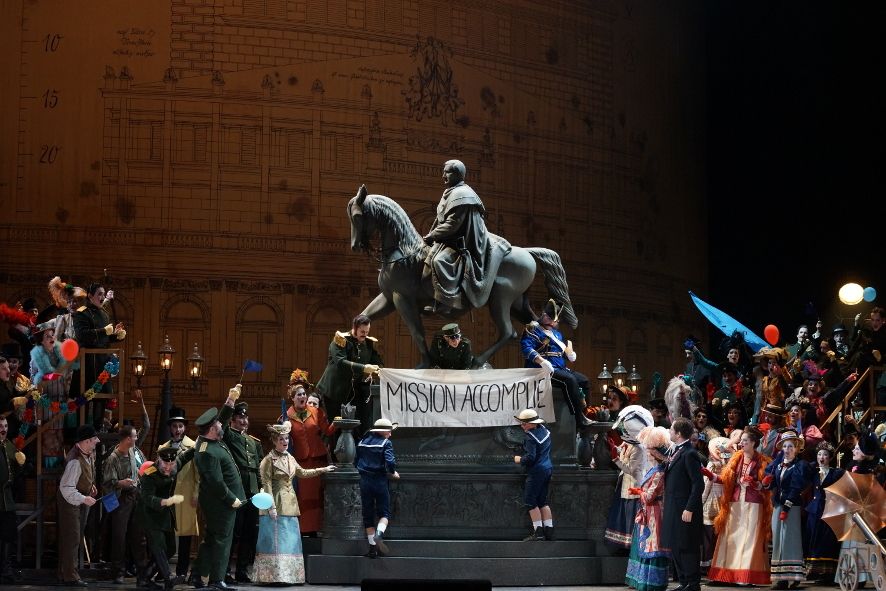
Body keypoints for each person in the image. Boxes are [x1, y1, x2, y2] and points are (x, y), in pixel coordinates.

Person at [421, 159, 510, 315]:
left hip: (465, 241)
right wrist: (431, 235)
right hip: (451, 238)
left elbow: (452, 225)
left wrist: (432, 235)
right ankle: (432, 296)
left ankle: (448, 301)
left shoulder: (463, 194)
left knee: (439, 260)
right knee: (427, 255)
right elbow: (441, 219)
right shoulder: (452, 191)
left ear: (456, 174)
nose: (443, 176)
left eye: (446, 172)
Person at [252, 423, 335, 584]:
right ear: (275, 441)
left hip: (291, 504)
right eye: (281, 439)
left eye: (286, 439)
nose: (285, 442)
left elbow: (302, 473)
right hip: (275, 504)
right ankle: (274, 577)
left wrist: (323, 469)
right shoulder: (268, 460)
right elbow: (267, 484)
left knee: (290, 541)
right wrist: (271, 507)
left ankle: (290, 576)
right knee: (276, 541)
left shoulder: (290, 457)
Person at [704, 425, 771, 586]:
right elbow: (726, 480)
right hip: (735, 503)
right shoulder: (736, 458)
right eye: (741, 441)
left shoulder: (762, 461)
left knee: (749, 539)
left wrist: (755, 484)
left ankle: (745, 577)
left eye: (745, 441)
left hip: (753, 504)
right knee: (730, 537)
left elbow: (766, 486)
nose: (741, 444)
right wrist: (712, 476)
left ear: (754, 443)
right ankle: (724, 575)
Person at [191, 400, 245, 591]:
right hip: (221, 504)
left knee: (211, 539)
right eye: (219, 424)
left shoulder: (209, 442)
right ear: (213, 428)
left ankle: (197, 575)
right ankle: (216, 579)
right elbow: (216, 483)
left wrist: (229, 403)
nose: (222, 424)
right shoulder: (208, 452)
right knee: (222, 540)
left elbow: (221, 418)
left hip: (217, 503)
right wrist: (232, 499)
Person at [521, 299, 592, 428]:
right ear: (543, 314)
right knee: (569, 380)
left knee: (584, 381)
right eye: (548, 317)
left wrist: (569, 354)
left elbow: (559, 351)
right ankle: (579, 419)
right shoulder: (532, 329)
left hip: (560, 368)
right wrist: (541, 361)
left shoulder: (557, 334)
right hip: (542, 370)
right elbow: (527, 349)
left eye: (553, 320)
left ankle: (585, 412)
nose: (550, 322)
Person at [102, 405, 151, 585]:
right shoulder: (113, 458)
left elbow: (146, 427)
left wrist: (141, 403)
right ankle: (118, 571)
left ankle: (142, 573)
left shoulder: (134, 450)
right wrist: (120, 483)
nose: (137, 438)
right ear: (127, 439)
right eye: (134, 436)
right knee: (119, 536)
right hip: (120, 499)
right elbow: (107, 483)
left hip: (136, 497)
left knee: (138, 536)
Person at [218, 389, 262, 584]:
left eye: (245, 418)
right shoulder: (228, 434)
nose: (244, 421)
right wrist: (230, 401)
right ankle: (225, 570)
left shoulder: (254, 442)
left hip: (252, 492)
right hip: (237, 490)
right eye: (239, 417)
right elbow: (221, 421)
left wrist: (261, 488)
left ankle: (242, 571)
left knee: (249, 533)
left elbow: (258, 467)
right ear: (233, 420)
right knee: (233, 532)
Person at [285, 371, 336, 535]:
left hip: (318, 459)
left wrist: (337, 422)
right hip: (301, 462)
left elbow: (327, 432)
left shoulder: (316, 412)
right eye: (299, 395)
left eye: (304, 394)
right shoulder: (286, 416)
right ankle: (306, 530)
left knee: (319, 495)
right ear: (293, 398)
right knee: (305, 496)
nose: (302, 397)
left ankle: (320, 528)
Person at [136, 446, 193, 591]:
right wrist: (165, 502)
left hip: (165, 516)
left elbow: (185, 456)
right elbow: (147, 497)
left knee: (170, 549)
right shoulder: (150, 474)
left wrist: (201, 442)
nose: (168, 468)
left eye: (171, 464)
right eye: (165, 464)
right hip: (150, 514)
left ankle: (144, 578)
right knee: (159, 546)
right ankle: (169, 577)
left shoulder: (174, 465)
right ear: (159, 460)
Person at [316, 314, 383, 435]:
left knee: (356, 427)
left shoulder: (368, 343)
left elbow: (376, 361)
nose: (364, 334)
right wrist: (364, 368)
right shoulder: (341, 340)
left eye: (367, 332)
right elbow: (341, 362)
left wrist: (381, 370)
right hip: (334, 391)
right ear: (355, 328)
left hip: (352, 392)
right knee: (335, 428)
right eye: (362, 331)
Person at [624, 426, 670, 591]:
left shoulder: (659, 472)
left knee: (653, 545)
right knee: (643, 545)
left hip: (655, 513)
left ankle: (652, 582)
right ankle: (639, 580)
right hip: (646, 511)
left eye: (650, 452)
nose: (648, 455)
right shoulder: (653, 470)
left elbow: (650, 496)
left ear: (656, 454)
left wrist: (639, 492)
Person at [764, 429, 811, 589]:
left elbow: (795, 487)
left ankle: (794, 575)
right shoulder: (778, 465)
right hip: (778, 505)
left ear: (796, 448)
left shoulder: (799, 466)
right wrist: (767, 482)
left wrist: (787, 506)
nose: (788, 449)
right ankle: (781, 577)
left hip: (791, 507)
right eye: (785, 446)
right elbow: (772, 482)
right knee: (778, 540)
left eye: (791, 446)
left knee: (790, 540)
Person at [157, 406, 199, 583]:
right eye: (174, 426)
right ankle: (163, 571)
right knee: (165, 533)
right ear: (170, 428)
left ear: (185, 428)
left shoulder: (193, 446)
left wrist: (196, 493)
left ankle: (182, 571)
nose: (177, 430)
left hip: (186, 493)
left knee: (184, 534)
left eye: (180, 426)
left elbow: (198, 473)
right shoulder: (163, 447)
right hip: (168, 495)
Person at [662, 417, 704, 591]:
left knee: (687, 546)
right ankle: (685, 581)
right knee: (676, 544)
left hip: (685, 508)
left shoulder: (690, 453)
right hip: (673, 506)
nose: (669, 432)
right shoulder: (677, 451)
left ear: (678, 434)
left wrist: (689, 508)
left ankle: (693, 584)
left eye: (671, 429)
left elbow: (698, 483)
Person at [604, 402, 653, 551]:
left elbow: (631, 469)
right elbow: (623, 452)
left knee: (630, 516)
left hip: (634, 487)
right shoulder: (629, 444)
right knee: (622, 514)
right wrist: (615, 448)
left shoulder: (639, 448)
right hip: (624, 486)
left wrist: (615, 459)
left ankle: (632, 547)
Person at [57, 424, 100, 586]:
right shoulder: (74, 460)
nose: (97, 441)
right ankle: (70, 576)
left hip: (79, 498)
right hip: (70, 502)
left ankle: (64, 572)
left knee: (74, 536)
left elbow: (87, 473)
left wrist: (91, 485)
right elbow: (66, 488)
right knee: (72, 538)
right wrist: (83, 498)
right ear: (87, 441)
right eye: (94, 440)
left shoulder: (88, 453)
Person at [355, 418, 400, 558]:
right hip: (379, 480)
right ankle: (379, 534)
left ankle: (372, 550)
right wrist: (393, 472)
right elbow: (390, 462)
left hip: (364, 481)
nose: (390, 434)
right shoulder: (386, 443)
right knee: (384, 513)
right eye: (389, 431)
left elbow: (356, 461)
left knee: (367, 515)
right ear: (382, 431)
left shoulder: (362, 442)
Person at [804, 441, 844, 583]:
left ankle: (828, 573)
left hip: (829, 510)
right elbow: (802, 470)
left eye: (825, 455)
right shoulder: (813, 471)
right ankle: (814, 572)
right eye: (819, 454)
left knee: (827, 541)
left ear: (830, 458)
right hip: (814, 510)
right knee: (813, 539)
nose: (822, 457)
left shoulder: (836, 473)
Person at [513, 408, 554, 541]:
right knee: (543, 501)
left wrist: (520, 459)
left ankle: (538, 532)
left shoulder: (530, 438)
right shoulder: (545, 431)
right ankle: (549, 531)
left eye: (524, 423)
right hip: (548, 468)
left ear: (532, 424)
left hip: (537, 471)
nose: (522, 426)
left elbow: (531, 457)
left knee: (530, 501)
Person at [700, 436, 731, 575]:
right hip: (723, 501)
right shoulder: (728, 465)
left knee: (708, 536)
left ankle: (707, 565)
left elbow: (707, 485)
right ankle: (716, 564)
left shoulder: (712, 465)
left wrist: (700, 502)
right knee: (717, 536)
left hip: (711, 502)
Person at [0, 416, 25, 584]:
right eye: (0, 426)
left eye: (5, 425)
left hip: (6, 499)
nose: (3, 428)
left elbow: (14, 472)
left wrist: (22, 465)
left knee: (8, 534)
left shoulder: (9, 445)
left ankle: (5, 569)